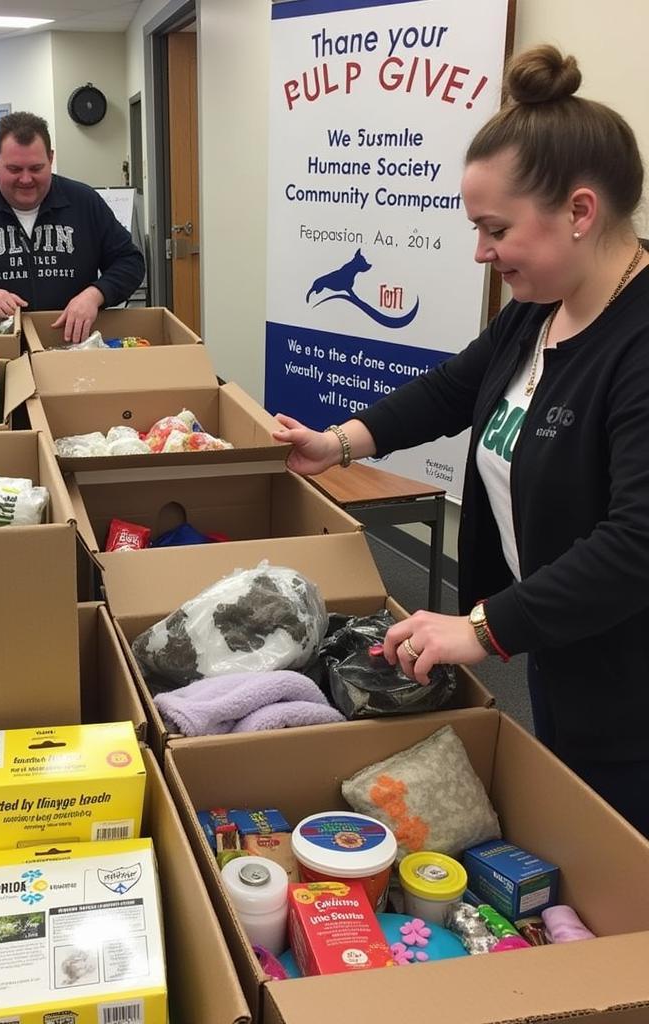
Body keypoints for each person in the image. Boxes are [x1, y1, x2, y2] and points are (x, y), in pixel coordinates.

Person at [273, 45, 649, 836]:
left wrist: (482, 628)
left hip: (629, 682)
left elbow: (636, 543)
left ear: (580, 212)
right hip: (556, 644)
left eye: (495, 229)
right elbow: (453, 389)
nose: (481, 252)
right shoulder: (541, 309)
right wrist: (336, 443)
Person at [0, 111, 145, 344]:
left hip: (71, 346)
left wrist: (95, 296)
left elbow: (130, 262)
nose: (26, 179)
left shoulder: (83, 201)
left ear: (50, 158)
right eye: (14, 169)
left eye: (36, 168)